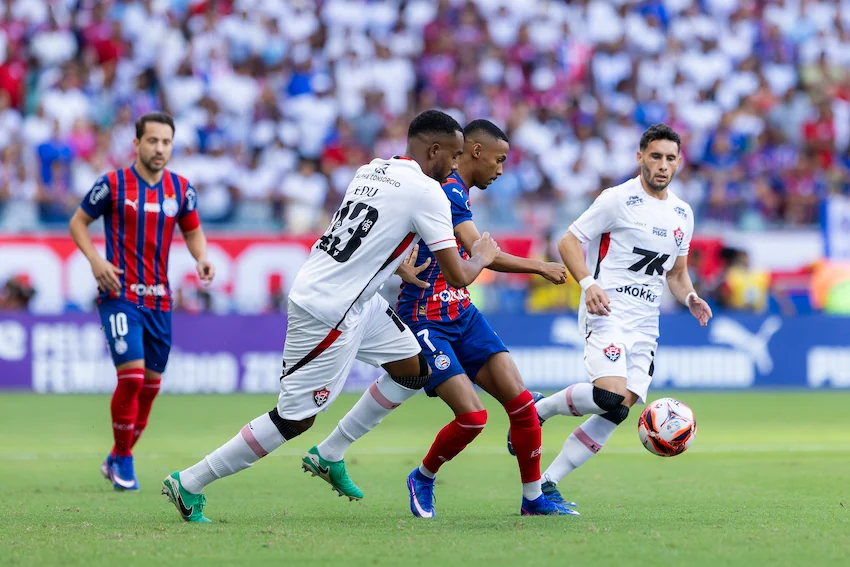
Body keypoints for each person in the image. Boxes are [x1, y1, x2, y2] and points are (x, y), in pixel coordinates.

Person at [162, 110, 500, 523]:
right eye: (454, 155)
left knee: (414, 371)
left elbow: (362, 233)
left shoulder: (371, 170)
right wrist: (482, 255)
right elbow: (458, 274)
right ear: (434, 150)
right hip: (329, 310)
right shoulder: (429, 193)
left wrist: (393, 264)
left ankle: (331, 453)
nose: (456, 164)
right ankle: (190, 482)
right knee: (294, 420)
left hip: (357, 300)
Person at [313, 119, 573, 517]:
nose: (501, 170)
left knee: (523, 405)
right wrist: (539, 266)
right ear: (476, 152)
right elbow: (479, 252)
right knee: (473, 417)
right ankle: (422, 476)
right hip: (425, 318)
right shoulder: (448, 191)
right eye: (499, 160)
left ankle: (534, 498)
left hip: (461, 312)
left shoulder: (456, 192)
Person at [517, 123, 713, 506]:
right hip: (606, 308)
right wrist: (588, 283)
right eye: (655, 156)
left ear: (679, 163)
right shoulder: (617, 199)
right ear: (640, 157)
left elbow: (676, 273)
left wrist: (690, 296)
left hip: (646, 323)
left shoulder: (682, 214)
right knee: (608, 395)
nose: (662, 165)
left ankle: (547, 484)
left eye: (670, 158)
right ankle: (538, 409)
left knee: (619, 409)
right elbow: (568, 241)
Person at [68, 111, 214, 492]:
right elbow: (78, 222)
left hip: (160, 299)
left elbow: (193, 231)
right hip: (119, 294)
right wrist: (96, 260)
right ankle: (124, 461)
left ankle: (116, 456)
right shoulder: (112, 184)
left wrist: (202, 257)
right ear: (136, 144)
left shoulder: (181, 189)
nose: (159, 148)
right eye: (152, 141)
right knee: (131, 378)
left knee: (149, 387)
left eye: (166, 142)